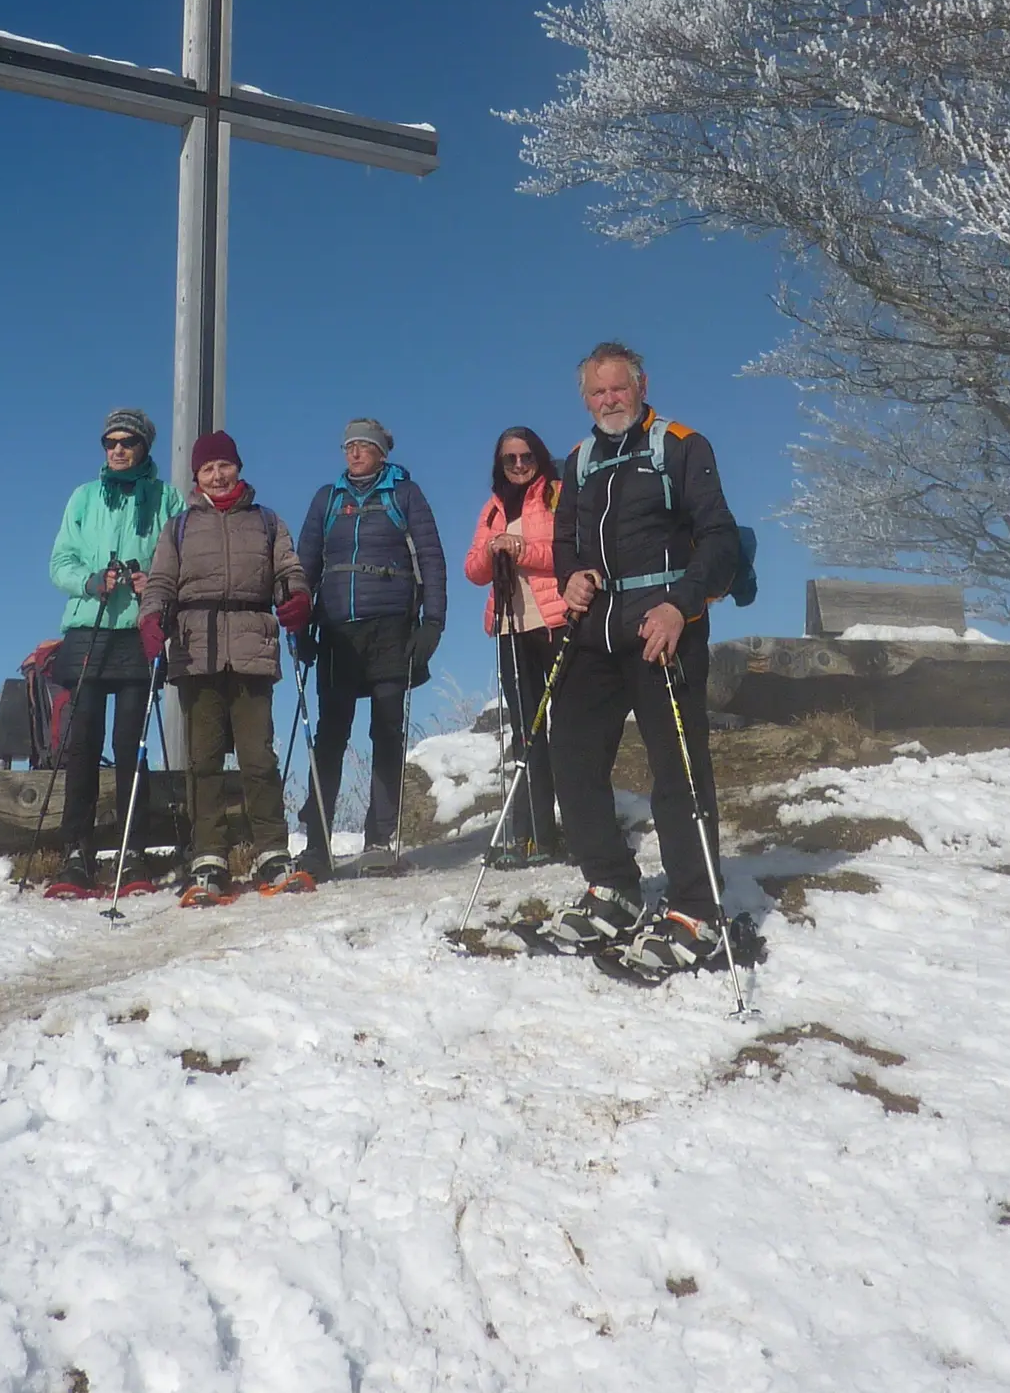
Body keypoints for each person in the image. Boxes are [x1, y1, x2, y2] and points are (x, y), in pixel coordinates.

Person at [545, 342, 740, 976]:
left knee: (677, 770)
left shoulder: (681, 445)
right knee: (571, 757)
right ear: (585, 398)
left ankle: (694, 908)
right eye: (597, 393)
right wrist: (572, 576)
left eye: (618, 389)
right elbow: (565, 542)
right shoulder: (576, 461)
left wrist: (680, 606)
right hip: (595, 635)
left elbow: (720, 540)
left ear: (641, 385)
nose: (608, 401)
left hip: (664, 631)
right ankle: (613, 887)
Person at [137, 429, 313, 904]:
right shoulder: (179, 527)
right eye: (208, 468)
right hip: (197, 651)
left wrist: (297, 599)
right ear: (197, 475)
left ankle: (272, 852)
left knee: (259, 758)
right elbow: (160, 582)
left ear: (238, 467)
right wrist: (151, 617)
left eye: (224, 465)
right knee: (204, 761)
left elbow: (289, 571)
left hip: (252, 647)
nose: (217, 474)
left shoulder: (267, 522)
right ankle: (208, 856)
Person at [296, 417, 447, 876]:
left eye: (364, 446)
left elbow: (432, 558)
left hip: (390, 628)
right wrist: (301, 624)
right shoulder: (328, 498)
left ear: (382, 452)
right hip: (338, 631)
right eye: (349, 447)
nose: (354, 453)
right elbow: (304, 564)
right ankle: (317, 844)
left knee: (385, 732)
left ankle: (380, 839)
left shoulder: (405, 493)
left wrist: (433, 623)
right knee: (330, 737)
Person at [44, 408, 185, 893]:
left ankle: (133, 853)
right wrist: (88, 581)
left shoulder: (168, 498)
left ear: (145, 446)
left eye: (128, 441)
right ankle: (76, 853)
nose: (118, 449)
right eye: (110, 442)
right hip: (88, 627)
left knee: (132, 746)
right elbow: (59, 561)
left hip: (138, 631)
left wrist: (155, 581)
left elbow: (181, 559)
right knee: (81, 744)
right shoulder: (84, 497)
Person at [463, 426, 567, 867]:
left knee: (570, 729)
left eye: (526, 457)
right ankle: (534, 837)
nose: (520, 465)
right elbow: (473, 570)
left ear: (539, 457)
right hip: (511, 628)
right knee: (527, 734)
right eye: (511, 459)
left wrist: (519, 549)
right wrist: (494, 550)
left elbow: (570, 550)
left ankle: (584, 829)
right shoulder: (492, 509)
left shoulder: (558, 495)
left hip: (559, 623)